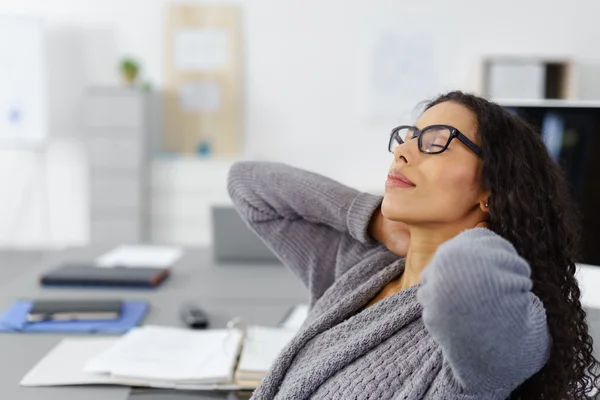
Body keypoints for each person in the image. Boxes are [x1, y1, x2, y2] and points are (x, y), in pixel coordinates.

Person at [227, 91, 600, 399]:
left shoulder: (513, 326)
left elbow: (463, 276)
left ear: (493, 189)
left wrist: (488, 227)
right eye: (406, 137)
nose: (402, 152)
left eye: (436, 141)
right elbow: (248, 184)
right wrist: (376, 219)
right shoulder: (362, 270)